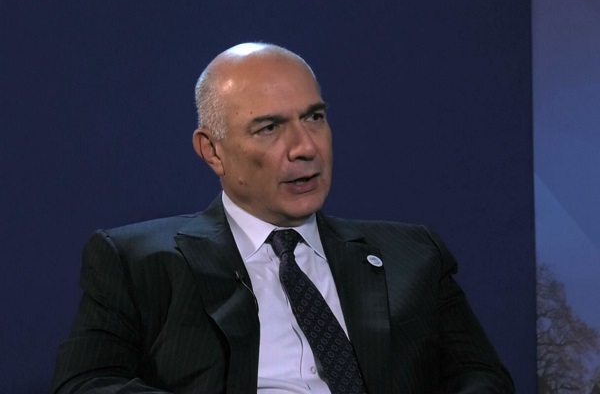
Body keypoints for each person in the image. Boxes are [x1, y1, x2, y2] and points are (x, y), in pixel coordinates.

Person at [51, 42, 515, 393]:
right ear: (212, 151)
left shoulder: (413, 255)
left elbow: (482, 377)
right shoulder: (138, 262)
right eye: (269, 127)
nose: (305, 147)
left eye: (314, 118)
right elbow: (87, 383)